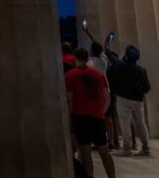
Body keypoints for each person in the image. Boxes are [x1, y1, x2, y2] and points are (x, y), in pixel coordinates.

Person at [65, 48, 115, 178]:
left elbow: (70, 100)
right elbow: (107, 96)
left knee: (86, 155)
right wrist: (101, 112)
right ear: (87, 58)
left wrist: (70, 120)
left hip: (80, 117)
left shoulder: (70, 75)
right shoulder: (98, 75)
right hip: (97, 117)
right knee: (104, 152)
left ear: (76, 58)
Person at [109, 45, 151, 156]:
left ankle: (127, 149)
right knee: (141, 124)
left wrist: (107, 47)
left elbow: (112, 58)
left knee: (125, 124)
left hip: (123, 99)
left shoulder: (120, 66)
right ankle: (146, 148)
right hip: (138, 100)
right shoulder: (141, 70)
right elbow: (147, 88)